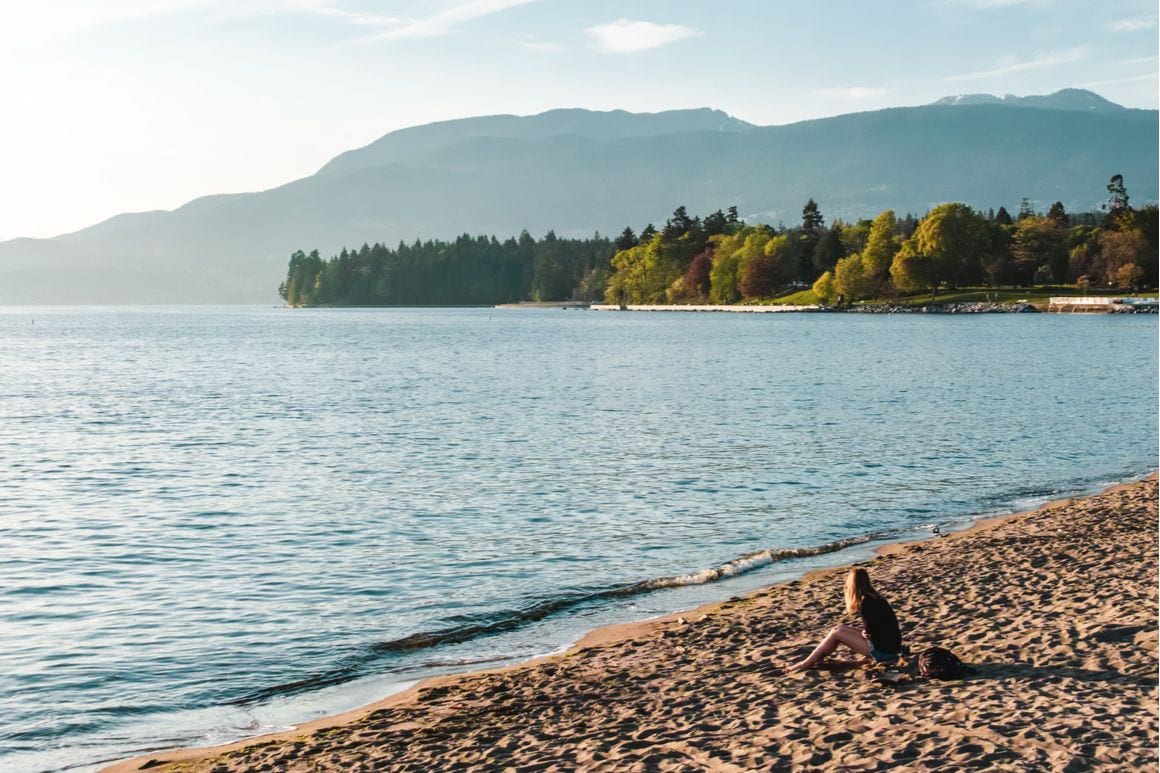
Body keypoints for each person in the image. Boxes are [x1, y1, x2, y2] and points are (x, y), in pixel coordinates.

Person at [785, 567, 902, 672]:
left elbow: (871, 633)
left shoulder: (866, 602)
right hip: (892, 647)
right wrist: (865, 632)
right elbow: (879, 627)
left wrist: (865, 633)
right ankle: (812, 660)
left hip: (884, 652)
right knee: (838, 628)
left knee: (837, 633)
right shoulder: (876, 597)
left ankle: (804, 664)